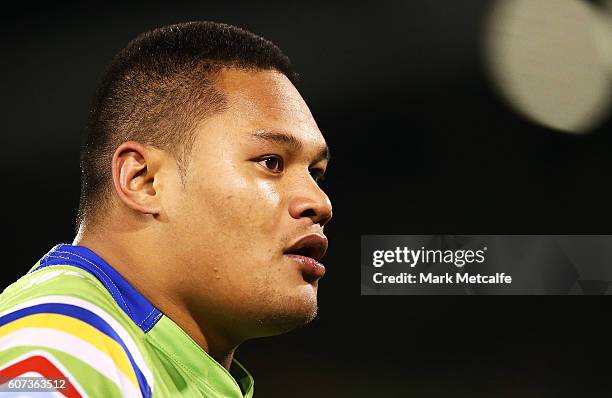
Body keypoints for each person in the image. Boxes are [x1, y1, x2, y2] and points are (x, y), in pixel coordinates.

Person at [0, 21, 332, 397]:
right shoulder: (57, 356)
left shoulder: (131, 357)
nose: (319, 203)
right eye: (271, 162)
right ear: (144, 180)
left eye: (316, 174)